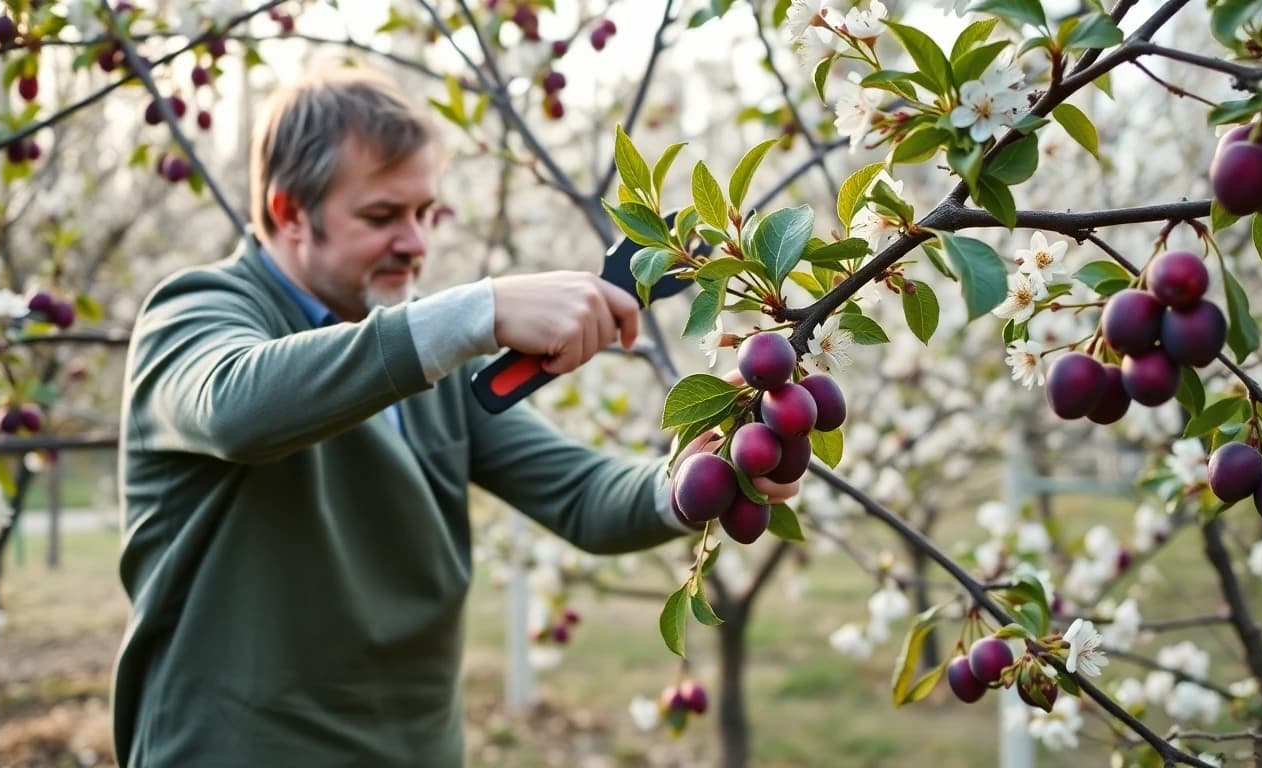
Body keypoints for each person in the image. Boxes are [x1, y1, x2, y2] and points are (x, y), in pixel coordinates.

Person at [112, 64, 798, 767]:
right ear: (289, 213)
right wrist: (481, 309)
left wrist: (691, 480)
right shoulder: (195, 313)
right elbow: (234, 411)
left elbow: (582, 497)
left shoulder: (425, 357)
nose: (415, 243)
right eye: (382, 216)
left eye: (424, 213)